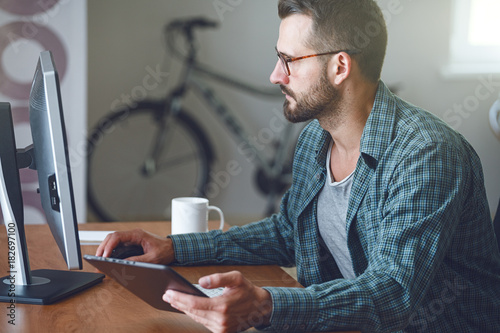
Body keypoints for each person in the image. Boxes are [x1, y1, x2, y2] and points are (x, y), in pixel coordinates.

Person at [97, 0, 500, 332]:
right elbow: (288, 230)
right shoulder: (315, 139)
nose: (275, 76)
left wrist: (267, 306)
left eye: (289, 60)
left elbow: (393, 291)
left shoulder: (425, 154)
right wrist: (174, 248)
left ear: (340, 67)